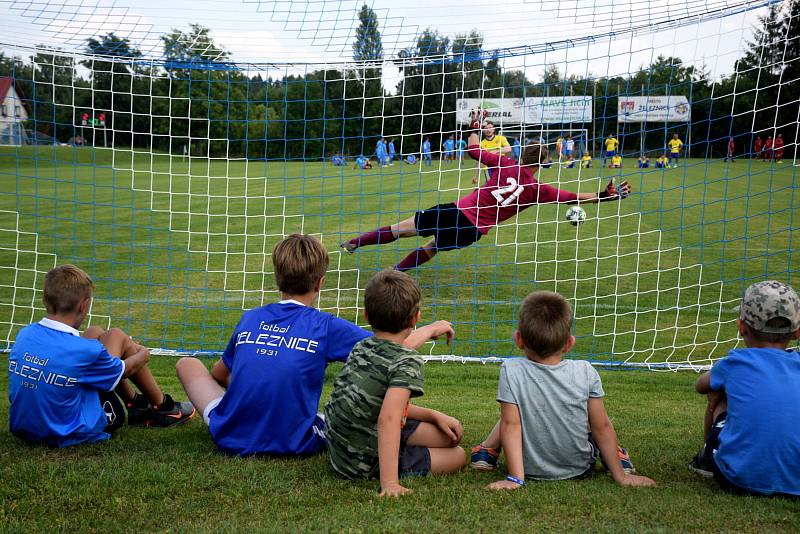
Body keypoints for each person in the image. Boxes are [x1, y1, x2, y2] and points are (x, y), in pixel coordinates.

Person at [176, 234, 451, 457]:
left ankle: (246, 413)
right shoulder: (326, 326)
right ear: (320, 282)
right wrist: (431, 328)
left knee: (187, 364)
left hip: (228, 435)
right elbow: (388, 347)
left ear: (277, 278)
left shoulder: (251, 317)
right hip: (294, 441)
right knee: (339, 415)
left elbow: (219, 374)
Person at [340, 132, 631, 271]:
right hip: (473, 231)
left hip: (456, 212)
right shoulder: (539, 190)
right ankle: (395, 272)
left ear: (522, 154)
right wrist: (606, 196)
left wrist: (476, 128)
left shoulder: (504, 163)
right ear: (542, 163)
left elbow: (473, 148)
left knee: (401, 228)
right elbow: (575, 198)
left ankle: (355, 242)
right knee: (431, 248)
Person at [470, 291, 656, 489]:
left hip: (528, 468)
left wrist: (515, 478)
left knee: (518, 411)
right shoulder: (586, 371)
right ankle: (617, 459)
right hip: (580, 468)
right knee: (593, 418)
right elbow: (601, 427)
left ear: (518, 340)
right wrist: (621, 478)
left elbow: (511, 425)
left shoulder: (511, 370)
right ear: (569, 343)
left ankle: (487, 451)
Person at [8, 265, 195, 448]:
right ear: (83, 305)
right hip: (71, 430)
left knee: (94, 331)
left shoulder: (25, 334)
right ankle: (163, 408)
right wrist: (142, 352)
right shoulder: (85, 351)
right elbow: (126, 368)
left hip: (25, 427)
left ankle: (138, 405)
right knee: (117, 335)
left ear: (45, 300)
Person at [325, 269, 464, 497]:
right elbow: (388, 418)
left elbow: (382, 402)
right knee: (457, 455)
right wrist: (390, 483)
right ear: (415, 318)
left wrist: (433, 415)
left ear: (366, 315)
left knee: (448, 436)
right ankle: (391, 466)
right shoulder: (407, 362)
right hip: (359, 460)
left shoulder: (363, 347)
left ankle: (398, 447)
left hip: (341, 448)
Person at [688, 281, 800, 497]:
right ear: (796, 332)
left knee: (718, 393)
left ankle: (706, 460)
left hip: (737, 478)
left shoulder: (737, 362)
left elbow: (701, 386)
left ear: (741, 327)